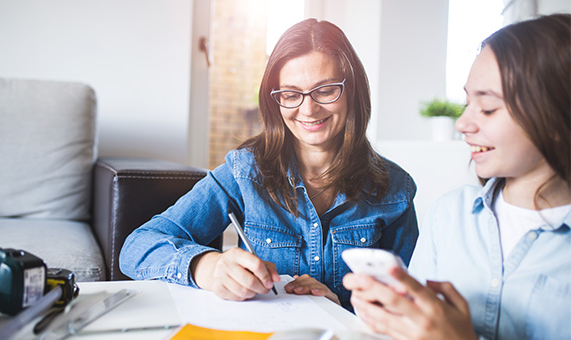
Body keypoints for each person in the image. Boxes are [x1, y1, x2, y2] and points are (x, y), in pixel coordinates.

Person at [120, 18, 418, 311]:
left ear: (352, 91)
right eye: (290, 94)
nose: (308, 109)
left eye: (325, 90)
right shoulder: (245, 171)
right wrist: (207, 267)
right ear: (275, 100)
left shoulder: (395, 190)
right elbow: (137, 247)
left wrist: (342, 309)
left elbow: (408, 306)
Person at [343, 13, 571, 339]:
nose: (463, 124)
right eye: (467, 103)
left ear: (558, 117)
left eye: (488, 108)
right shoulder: (450, 215)